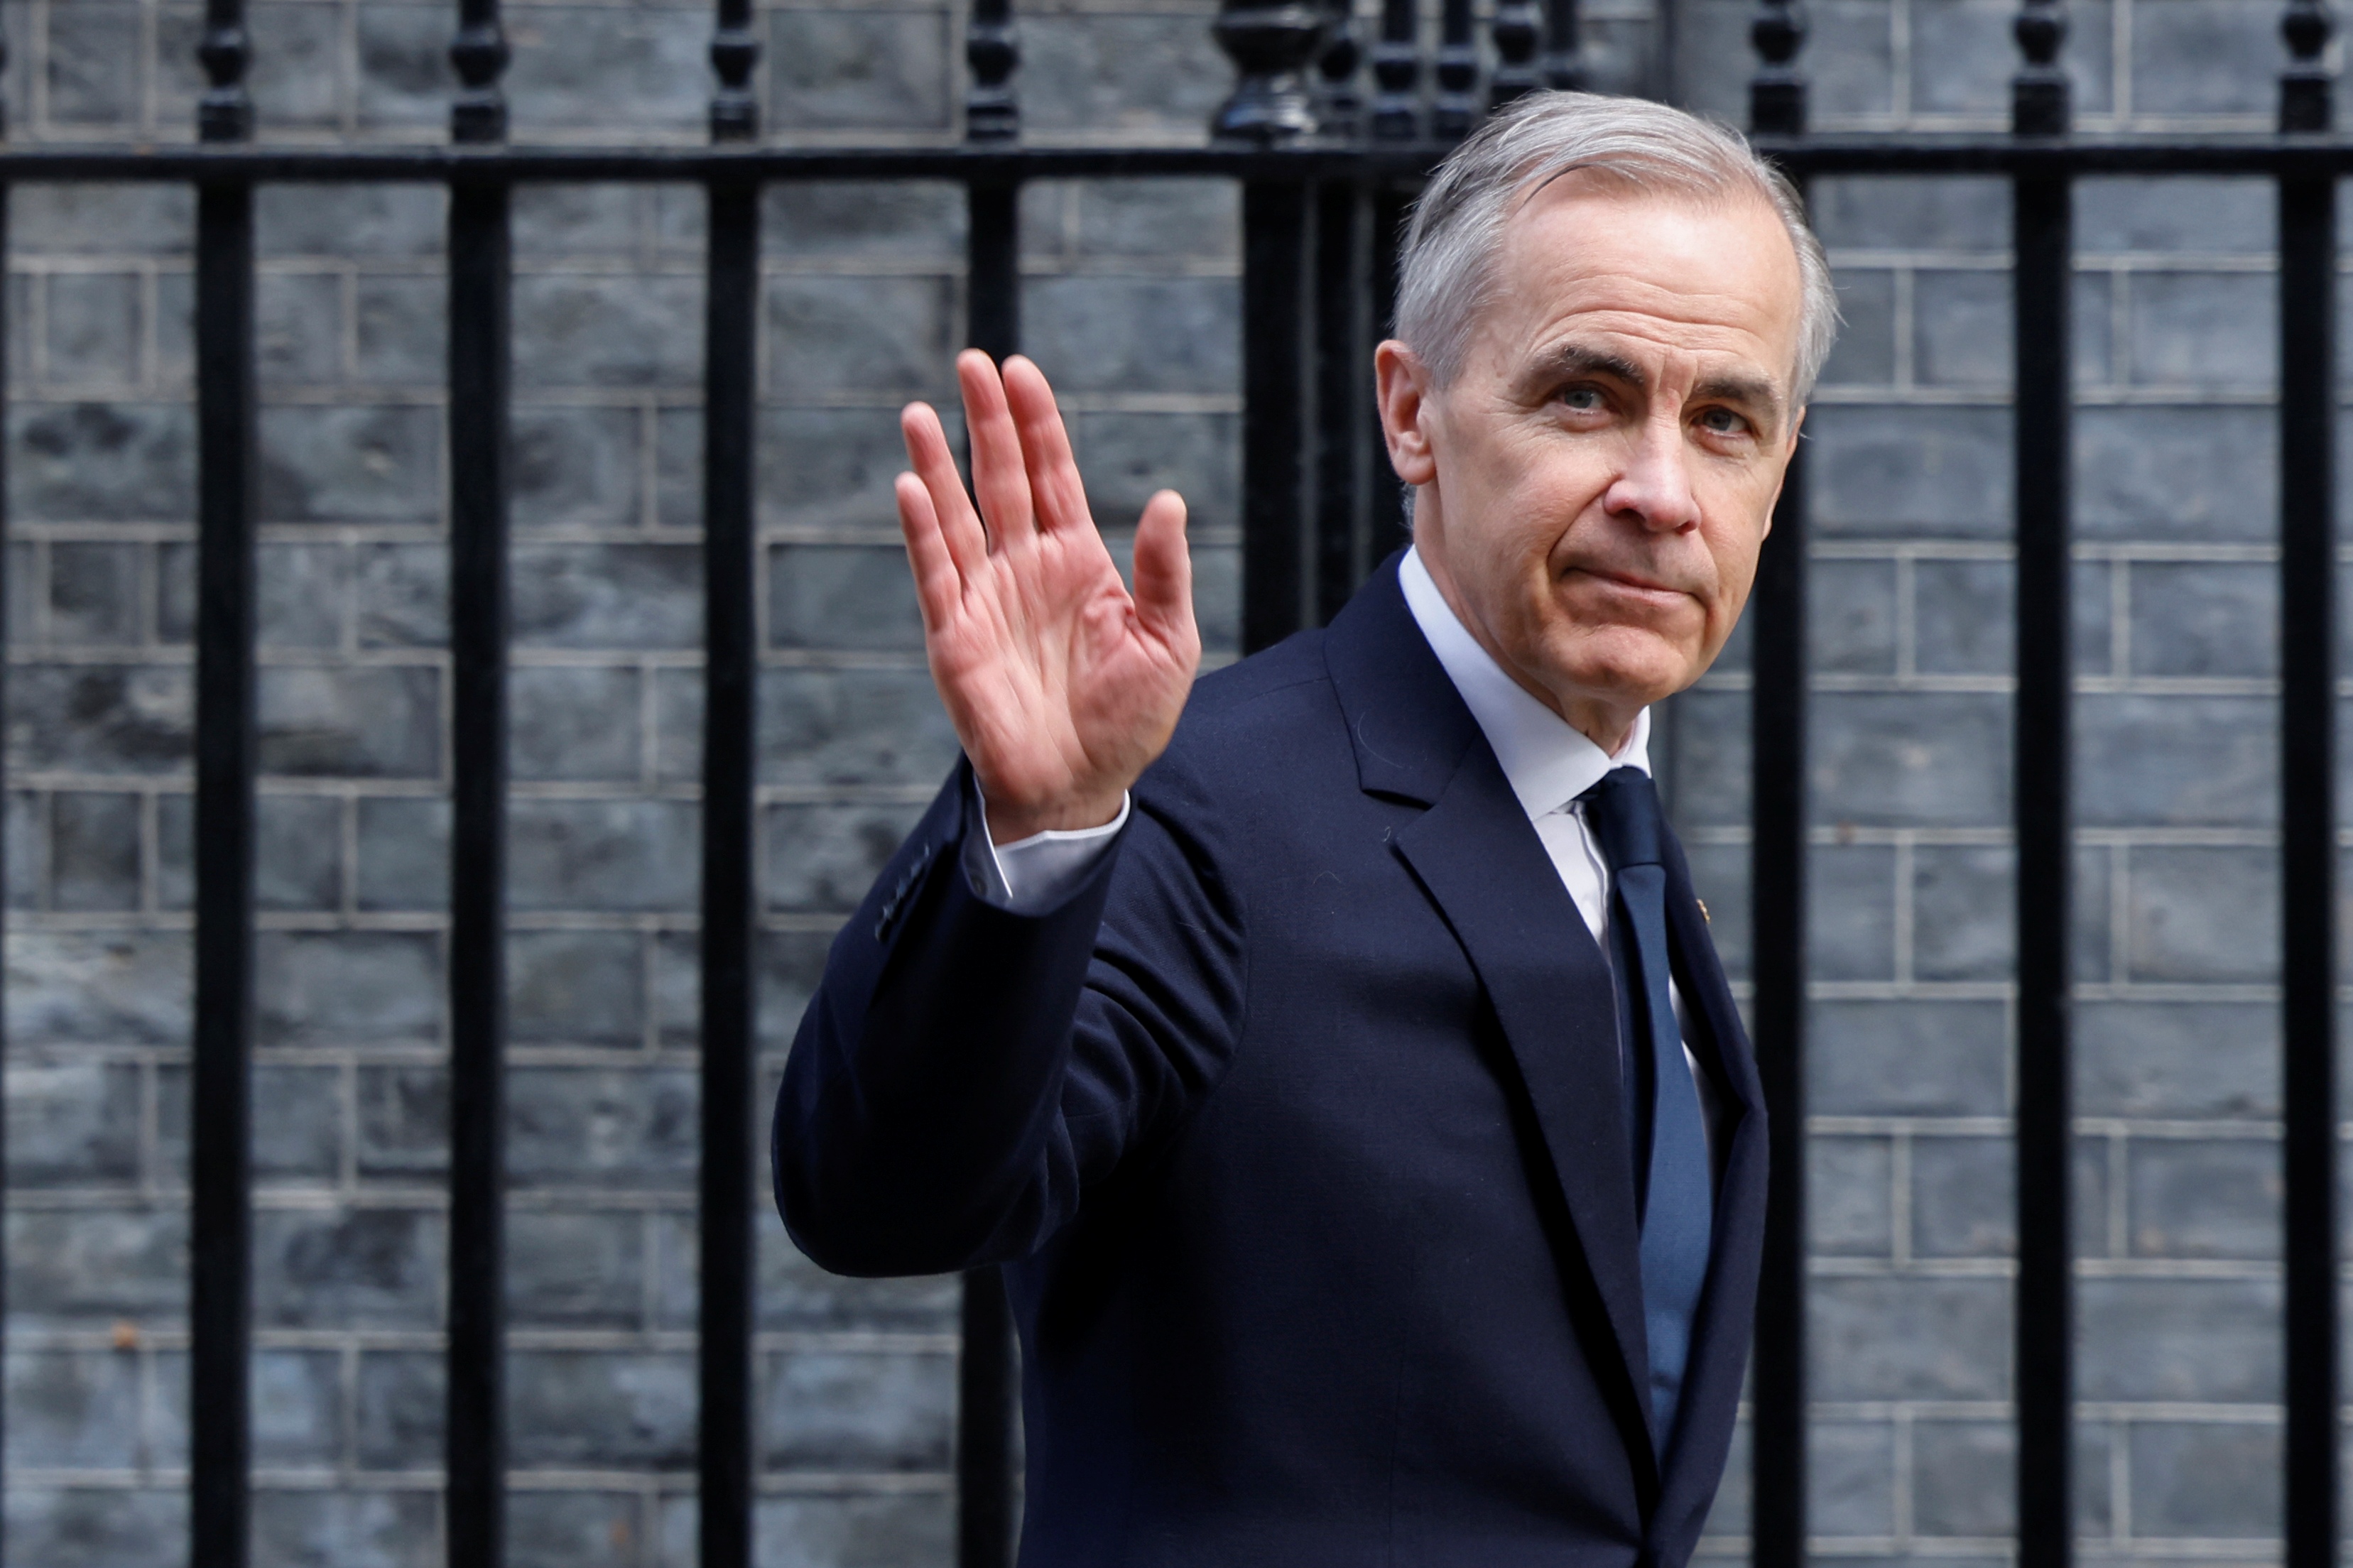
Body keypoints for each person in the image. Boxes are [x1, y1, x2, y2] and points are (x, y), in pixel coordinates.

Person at [775, 89, 1835, 1566]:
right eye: (1584, 396)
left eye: (1723, 421)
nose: (1661, 493)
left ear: (1776, 472)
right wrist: (1042, 832)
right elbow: (884, 1198)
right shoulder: (1198, 812)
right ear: (1411, 413)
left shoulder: (1621, 851)